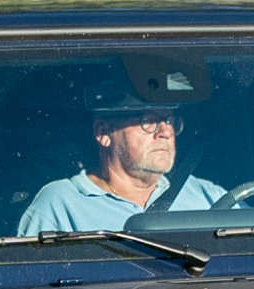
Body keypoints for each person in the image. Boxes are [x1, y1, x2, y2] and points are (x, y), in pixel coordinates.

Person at [19, 85, 225, 234]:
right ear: (104, 133)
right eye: (149, 120)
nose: (165, 132)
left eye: (170, 121)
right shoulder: (59, 203)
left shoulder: (207, 195)